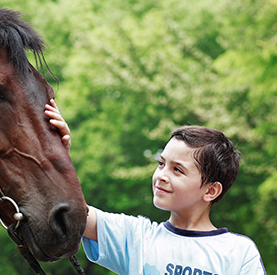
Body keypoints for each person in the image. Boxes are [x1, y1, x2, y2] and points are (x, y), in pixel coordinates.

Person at [45, 100, 267, 275]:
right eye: (161, 164)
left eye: (177, 170)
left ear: (211, 191)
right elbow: (73, 211)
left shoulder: (238, 253)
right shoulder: (135, 238)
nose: (161, 175)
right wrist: (58, 155)